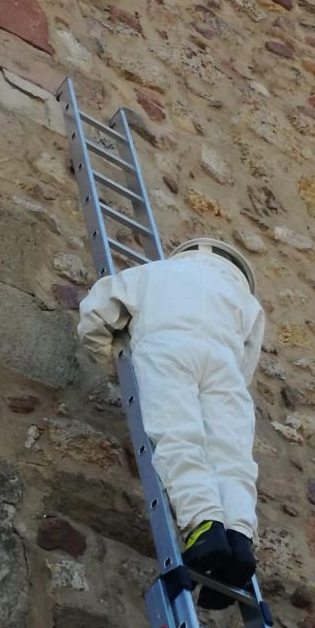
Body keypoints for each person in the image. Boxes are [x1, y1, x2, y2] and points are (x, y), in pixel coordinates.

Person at [77, 237, 265, 609]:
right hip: (223, 367)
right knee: (231, 456)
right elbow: (247, 364)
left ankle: (205, 527)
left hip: (169, 350)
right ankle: (239, 537)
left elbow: (97, 311)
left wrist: (111, 359)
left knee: (179, 437)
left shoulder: (158, 271)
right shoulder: (248, 304)